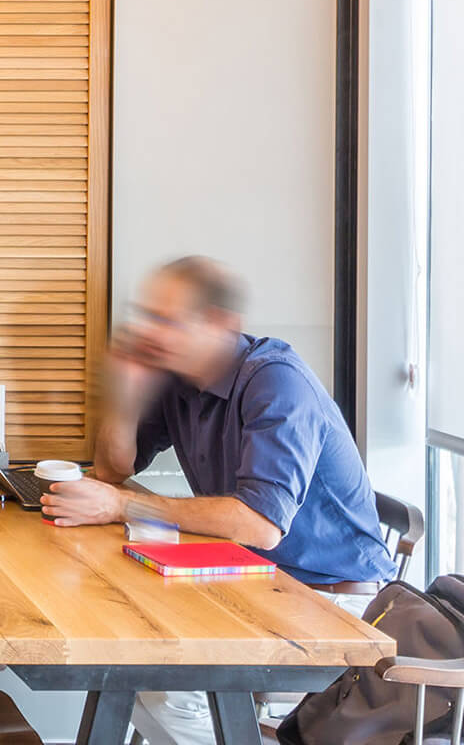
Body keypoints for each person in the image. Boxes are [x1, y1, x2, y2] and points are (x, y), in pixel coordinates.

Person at [40, 256, 397, 745]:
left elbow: (260, 524)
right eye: (146, 316)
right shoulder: (181, 381)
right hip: (252, 578)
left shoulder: (276, 381)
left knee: (166, 693)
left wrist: (124, 507)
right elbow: (112, 469)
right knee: (136, 667)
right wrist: (125, 395)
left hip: (330, 600)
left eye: (166, 320)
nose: (148, 333)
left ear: (219, 323)